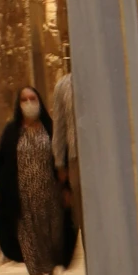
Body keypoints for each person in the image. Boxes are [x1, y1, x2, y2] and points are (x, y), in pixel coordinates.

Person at [0, 85, 76, 275]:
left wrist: (66, 188)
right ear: (19, 105)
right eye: (24, 100)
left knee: (52, 235)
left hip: (49, 194)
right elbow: (0, 158)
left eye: (32, 98)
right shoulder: (12, 131)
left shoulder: (49, 128)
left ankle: (51, 266)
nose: (29, 103)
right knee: (28, 237)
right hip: (21, 195)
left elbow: (61, 160)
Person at [51, 68, 82, 240]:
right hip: (76, 158)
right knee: (84, 216)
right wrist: (60, 163)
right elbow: (59, 126)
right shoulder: (63, 85)